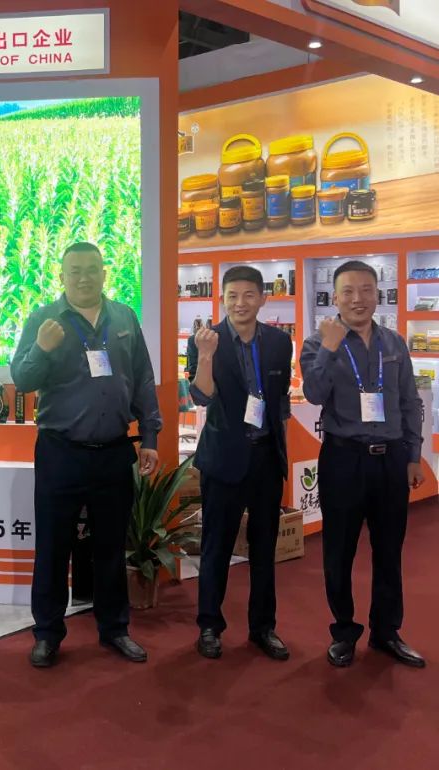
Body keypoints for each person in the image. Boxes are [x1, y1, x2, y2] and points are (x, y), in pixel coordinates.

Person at [11, 241, 161, 667]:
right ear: (62, 276)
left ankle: (115, 629)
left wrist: (150, 436)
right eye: (74, 271)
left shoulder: (124, 317)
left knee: (111, 547)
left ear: (104, 273)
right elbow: (22, 379)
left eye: (91, 269)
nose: (83, 278)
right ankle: (47, 634)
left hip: (114, 451)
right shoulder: (44, 318)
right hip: (61, 452)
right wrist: (41, 348)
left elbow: (143, 379)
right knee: (53, 546)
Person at [300, 260, 426, 669]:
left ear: (378, 294)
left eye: (366, 290)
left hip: (390, 460)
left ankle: (386, 631)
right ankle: (344, 632)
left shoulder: (394, 343)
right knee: (339, 551)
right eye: (349, 291)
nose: (358, 299)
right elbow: (314, 393)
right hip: (343, 459)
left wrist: (413, 455)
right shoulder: (318, 343)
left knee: (389, 551)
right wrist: (330, 347)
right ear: (334, 298)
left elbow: (409, 402)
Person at [189, 266, 293, 661]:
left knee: (264, 550)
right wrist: (206, 356)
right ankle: (209, 626)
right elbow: (201, 397)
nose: (240, 303)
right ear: (222, 299)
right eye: (232, 296)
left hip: (266, 458)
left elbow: (279, 398)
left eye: (249, 295)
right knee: (215, 547)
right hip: (224, 460)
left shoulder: (279, 342)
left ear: (263, 298)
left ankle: (263, 628)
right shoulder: (205, 340)